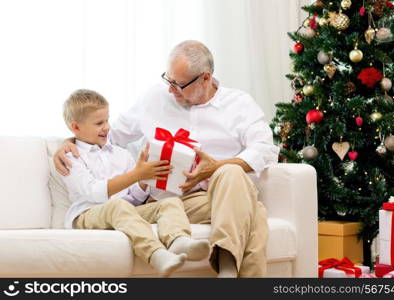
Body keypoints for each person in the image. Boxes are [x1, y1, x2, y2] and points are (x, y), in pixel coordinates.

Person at [55, 40, 279, 277]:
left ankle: (227, 262)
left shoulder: (238, 104)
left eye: (179, 84)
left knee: (232, 173)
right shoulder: (154, 99)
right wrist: (69, 143)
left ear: (205, 78)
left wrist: (215, 167)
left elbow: (265, 148)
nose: (170, 90)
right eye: (168, 80)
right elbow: (109, 138)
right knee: (254, 210)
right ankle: (230, 270)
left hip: (220, 193)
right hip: (172, 201)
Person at [60, 89, 211, 277]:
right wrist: (135, 175)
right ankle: (156, 254)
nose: (107, 127)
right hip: (87, 215)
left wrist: (145, 179)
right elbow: (94, 192)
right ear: (76, 127)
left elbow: (135, 198)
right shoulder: (71, 157)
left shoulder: (121, 154)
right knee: (117, 205)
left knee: (169, 203)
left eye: (107, 120)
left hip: (125, 211)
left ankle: (178, 240)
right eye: (99, 123)